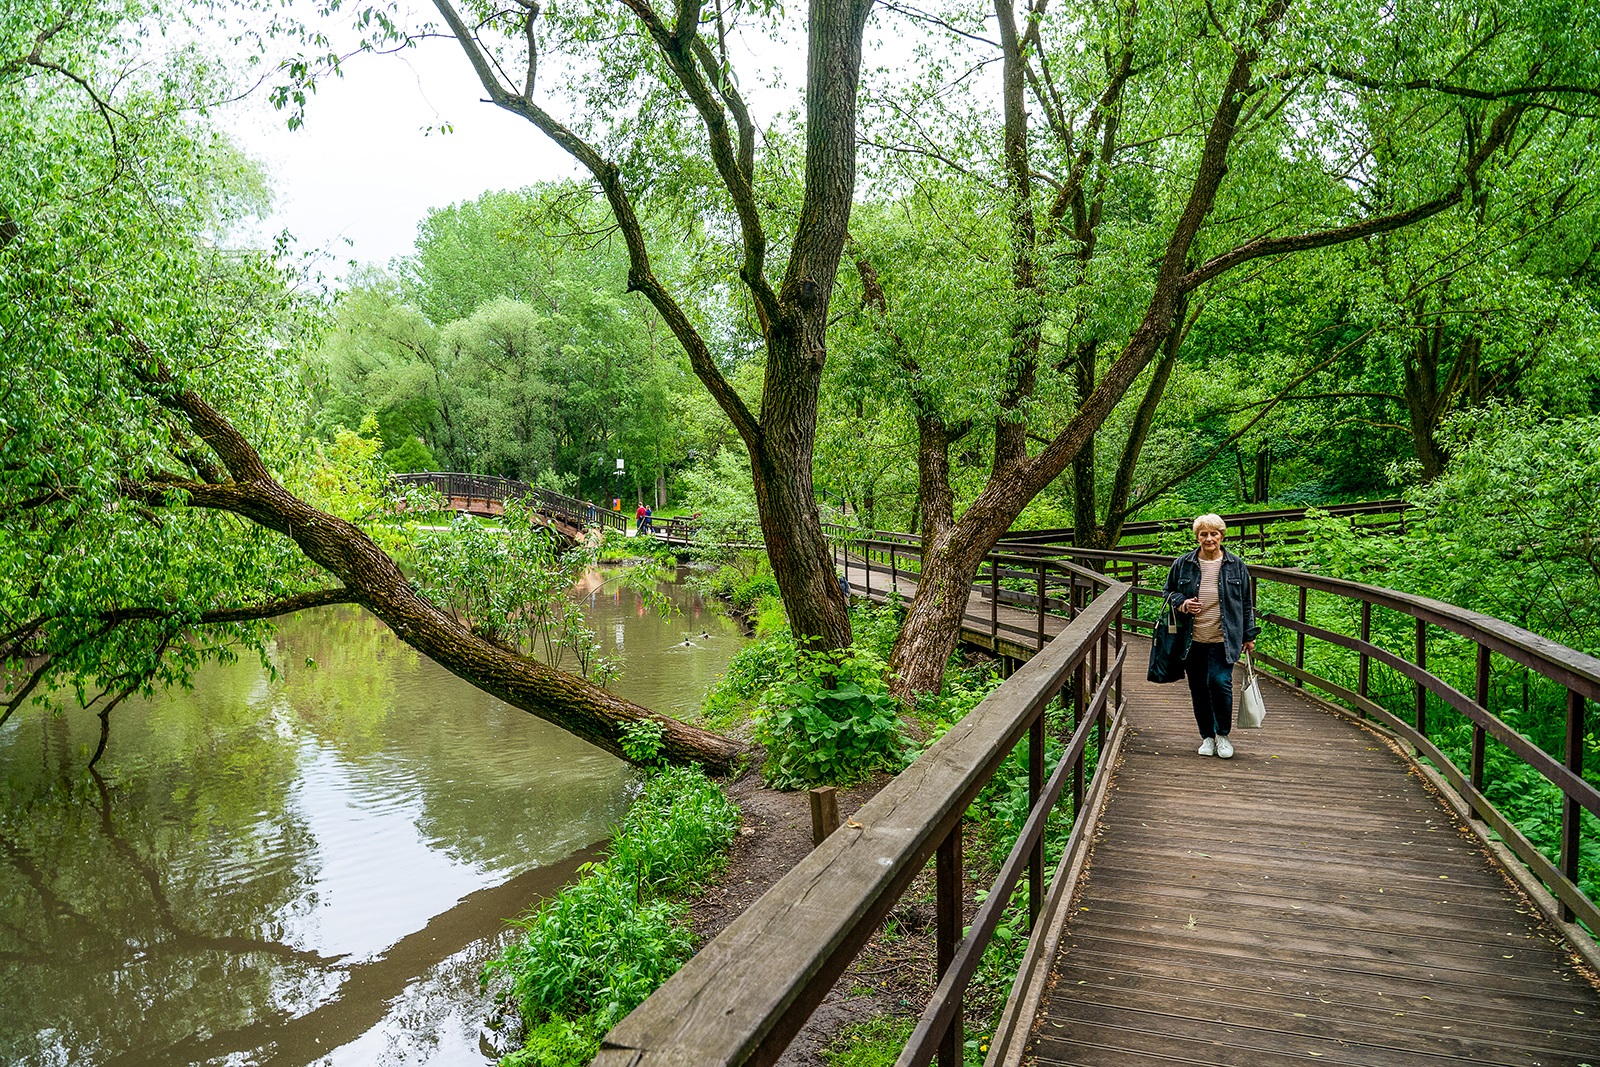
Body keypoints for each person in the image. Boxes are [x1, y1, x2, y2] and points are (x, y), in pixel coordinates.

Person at [1162, 514, 1259, 759]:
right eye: (1203, 534)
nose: (1209, 538)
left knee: (1219, 683)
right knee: (1198, 688)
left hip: (1224, 640)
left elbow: (1246, 603)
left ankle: (1223, 735)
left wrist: (1249, 634)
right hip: (1191, 640)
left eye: (1214, 534)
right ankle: (1207, 736)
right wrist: (1182, 603)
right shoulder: (1183, 564)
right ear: (1197, 537)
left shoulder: (1235, 565)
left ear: (1221, 536)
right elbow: (1168, 592)